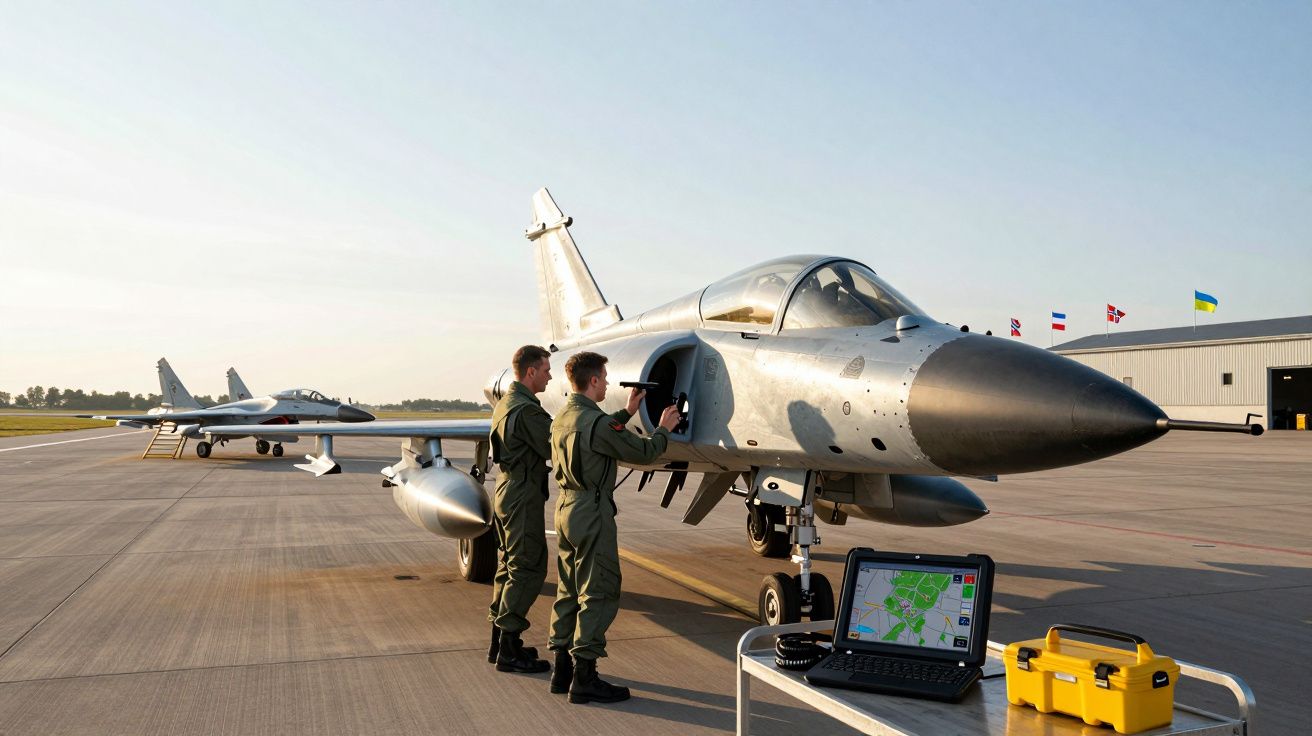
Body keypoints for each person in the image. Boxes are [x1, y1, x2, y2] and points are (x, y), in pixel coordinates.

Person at [547, 351, 680, 704]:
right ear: (593, 380)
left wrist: (628, 411)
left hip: (565, 509)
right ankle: (585, 677)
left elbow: (599, 434)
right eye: (604, 378)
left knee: (569, 588)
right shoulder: (598, 423)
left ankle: (562, 670)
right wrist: (664, 429)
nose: (607, 383)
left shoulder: (562, 417)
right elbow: (645, 453)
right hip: (592, 512)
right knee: (599, 590)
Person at [486, 345, 554, 674]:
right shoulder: (527, 411)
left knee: (509, 566)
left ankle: (498, 642)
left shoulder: (505, 403)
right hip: (523, 493)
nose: (549, 376)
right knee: (528, 567)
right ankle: (509, 650)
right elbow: (558, 445)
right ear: (531, 372)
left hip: (507, 489)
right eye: (546, 370)